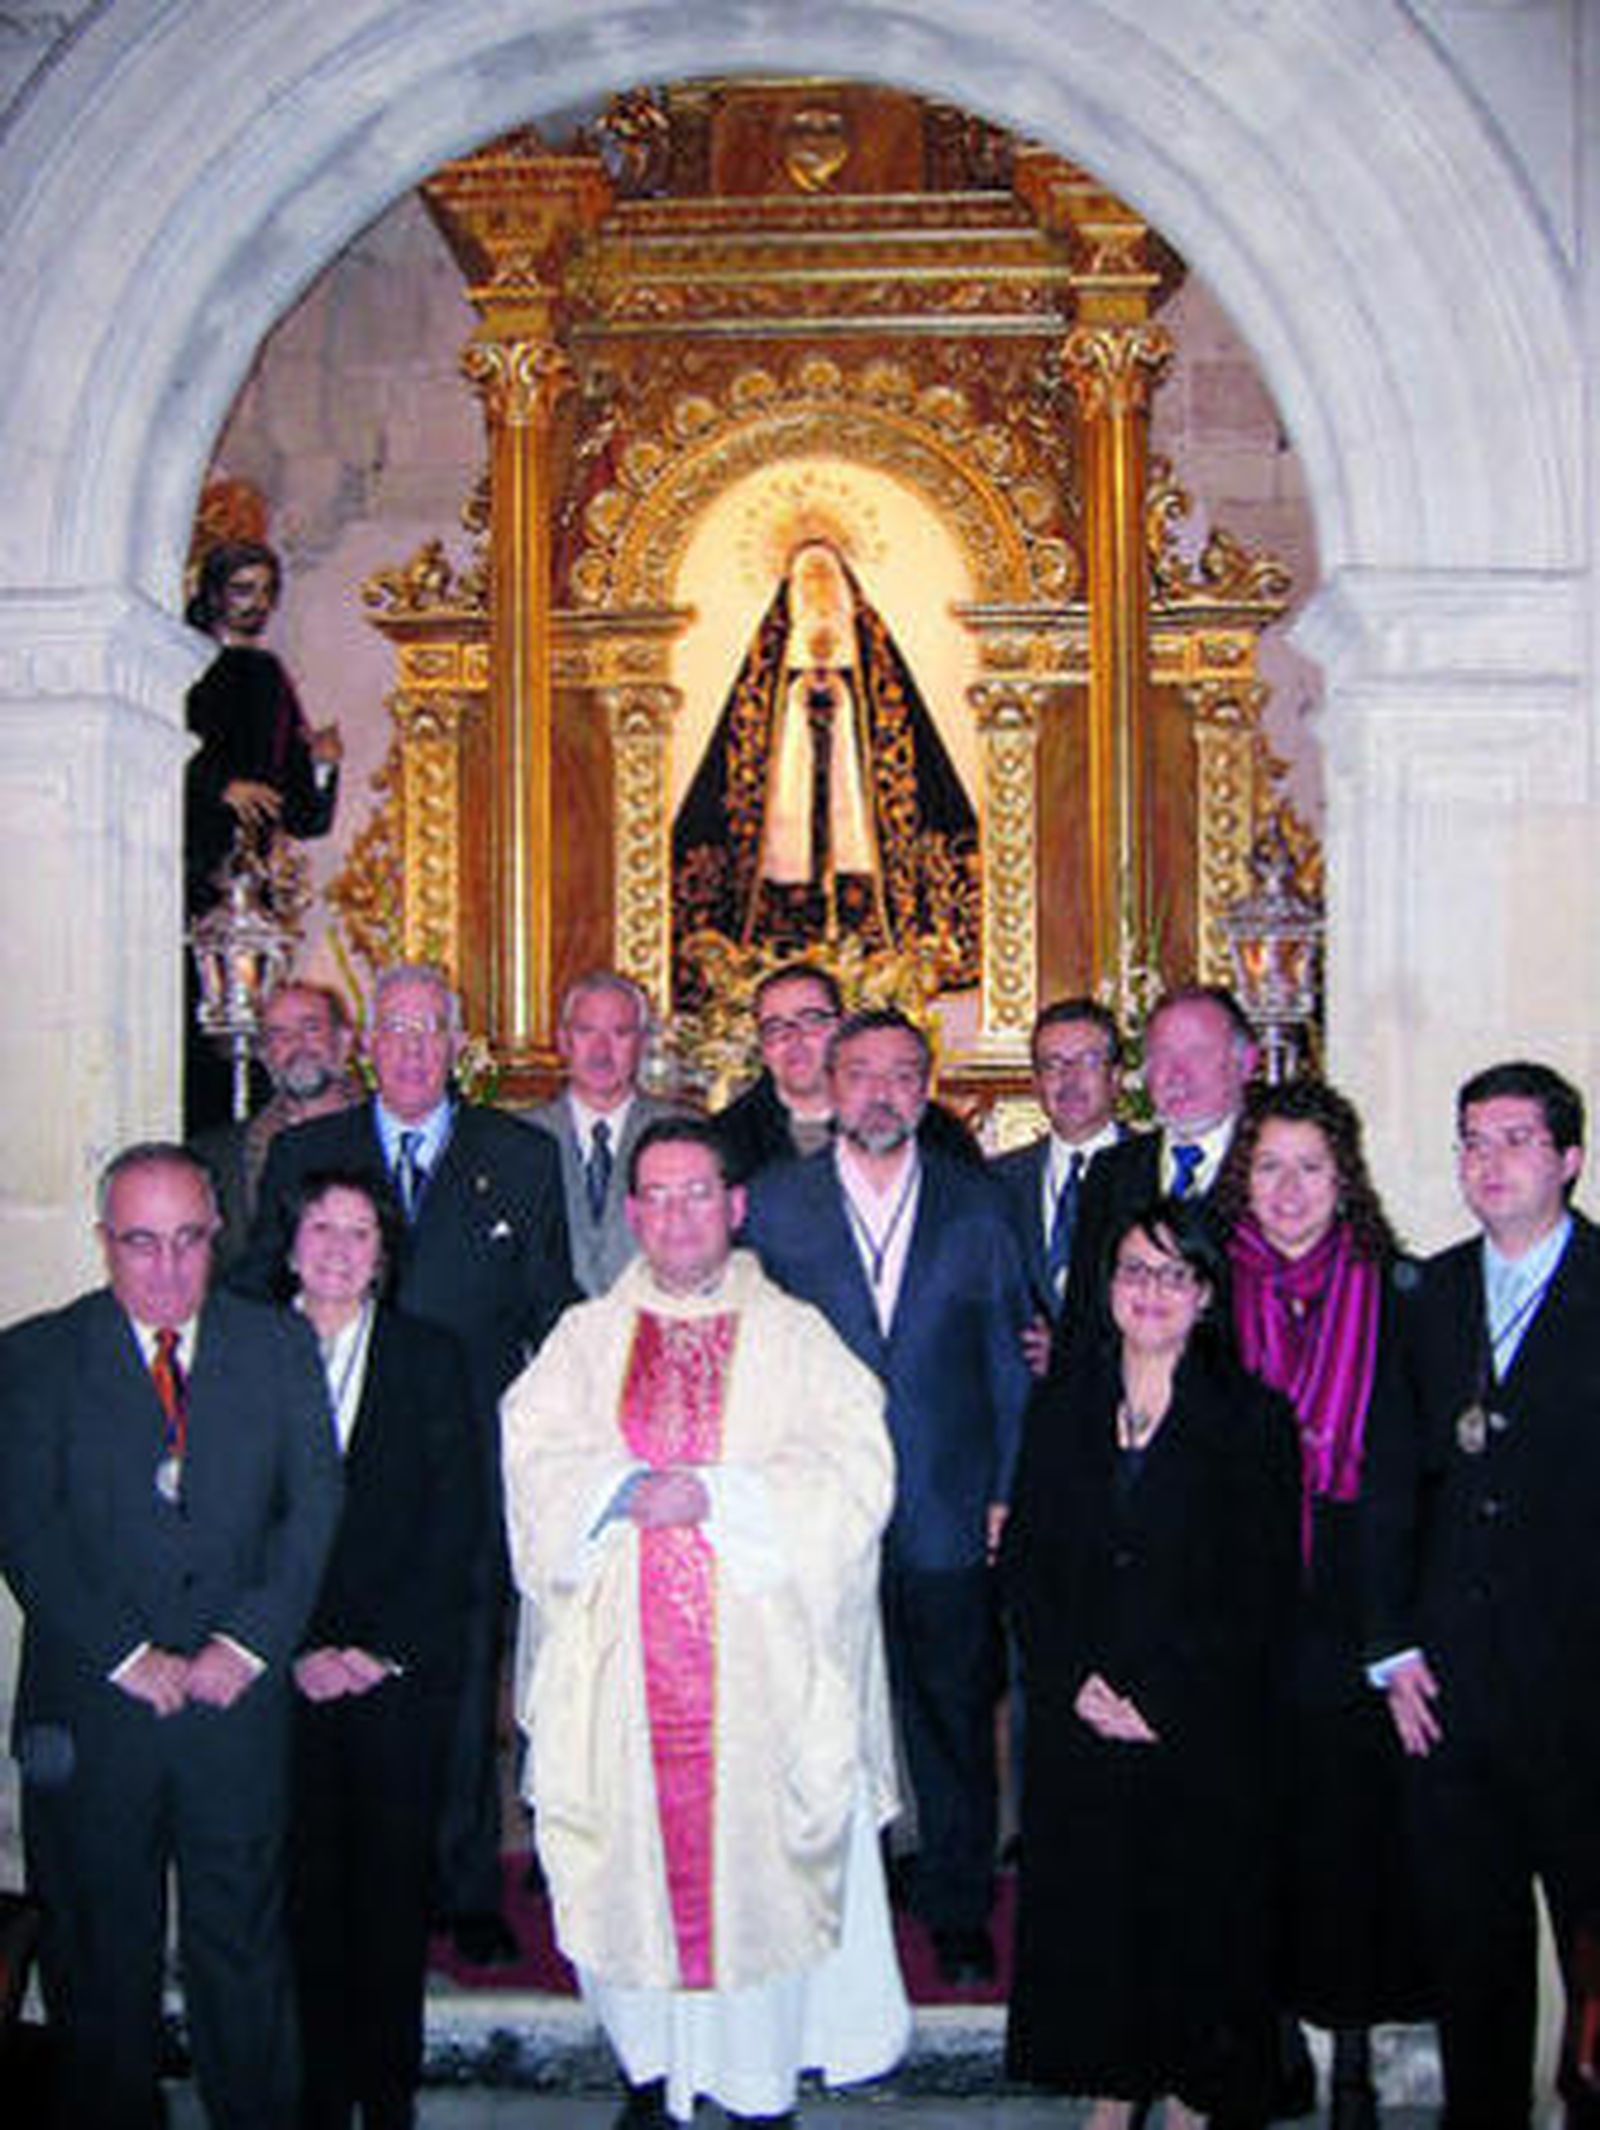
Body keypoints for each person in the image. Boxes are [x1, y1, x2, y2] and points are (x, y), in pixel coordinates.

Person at [501, 1118, 910, 2127]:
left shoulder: (797, 1337)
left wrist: (720, 1498)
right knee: (622, 1862)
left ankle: (758, 2089)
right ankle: (649, 2074)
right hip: (619, 1670)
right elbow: (534, 1457)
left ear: (736, 1207)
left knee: (757, 1875)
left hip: (760, 1676)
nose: (677, 1216)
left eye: (697, 1195)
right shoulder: (586, 1339)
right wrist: (618, 1491)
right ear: (633, 1214)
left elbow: (855, 1472)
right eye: (657, 1196)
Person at [235, 961, 578, 1967]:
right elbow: (256, 1286)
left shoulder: (517, 1153)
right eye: (396, 1028)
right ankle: (330, 1874)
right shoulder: (310, 1152)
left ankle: (464, 1886)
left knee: (458, 1676)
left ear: (459, 1046)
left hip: (462, 1463)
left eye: (433, 1029)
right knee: (318, 1665)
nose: (414, 1048)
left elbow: (550, 1307)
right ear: (366, 1046)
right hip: (321, 1454)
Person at [0, 1143, 342, 2130]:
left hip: (235, 1708)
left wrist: (248, 1642)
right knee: (99, 1953)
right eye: (141, 1243)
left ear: (217, 1236)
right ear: (104, 1241)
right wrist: (126, 1655)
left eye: (189, 1240)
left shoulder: (276, 1346)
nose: (168, 1268)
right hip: (94, 1710)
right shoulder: (35, 1357)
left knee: (244, 1943)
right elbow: (26, 1526)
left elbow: (313, 1505)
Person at [742, 1008, 1032, 1984]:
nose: (880, 1093)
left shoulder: (975, 1203)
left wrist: (1005, 1487)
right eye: (861, 1073)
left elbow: (1007, 1356)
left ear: (926, 1088)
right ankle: (833, 1900)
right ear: (830, 1084)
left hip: (946, 1499)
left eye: (902, 1074)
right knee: (820, 1711)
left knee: (950, 1711)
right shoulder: (773, 1204)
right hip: (814, 1505)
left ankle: (957, 1902)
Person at [1001, 1199, 1299, 2126]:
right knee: (1099, 1922)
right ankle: (1111, 2091)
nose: (1152, 1291)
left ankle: (1189, 2100)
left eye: (1176, 1274)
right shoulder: (1063, 1408)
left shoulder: (1253, 1420)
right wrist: (1072, 1681)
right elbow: (1027, 1564)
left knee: (1193, 1919)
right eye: (1135, 1270)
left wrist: (1161, 1696)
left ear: (1207, 1294)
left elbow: (1261, 1590)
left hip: (1196, 1723)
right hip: (1081, 1715)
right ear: (1108, 1287)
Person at [1366, 1060, 1600, 2128]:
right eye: (1471, 1140)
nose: (1487, 1162)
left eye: (1514, 1139)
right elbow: (1387, 1481)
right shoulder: (1430, 1293)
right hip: (1448, 1689)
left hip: (1581, 1691)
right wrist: (1390, 1645)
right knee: (1472, 1956)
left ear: (1569, 1159)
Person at [1214, 1080, 1426, 2128]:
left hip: (1351, 1605)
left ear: (1345, 1180)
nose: (1288, 1190)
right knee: (1246, 1841)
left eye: (1310, 1167)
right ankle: (1267, 2049)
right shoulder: (1203, 1294)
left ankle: (1348, 2060)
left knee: (1345, 1845)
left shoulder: (1402, 1294)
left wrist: (1399, 1637)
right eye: (1269, 1167)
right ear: (1241, 1180)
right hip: (1239, 1605)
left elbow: (1420, 1480)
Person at [282, 1167, 480, 2130]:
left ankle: (388, 2093)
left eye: (359, 1233)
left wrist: (379, 1647)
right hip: (276, 1673)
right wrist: (294, 1648)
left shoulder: (429, 1357)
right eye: (320, 1228)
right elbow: (227, 1527)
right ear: (291, 1246)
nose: (337, 1249)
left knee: (391, 1891)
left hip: (394, 1672)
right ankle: (320, 2091)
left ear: (384, 1255)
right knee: (302, 1890)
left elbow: (456, 1518)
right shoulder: (245, 1351)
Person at [672, 538, 979, 981]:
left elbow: (901, 737)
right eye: (808, 577)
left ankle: (870, 960)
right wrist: (799, 701)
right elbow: (747, 742)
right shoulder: (771, 655)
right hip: (791, 797)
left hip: (852, 795)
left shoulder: (871, 650)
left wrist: (841, 699)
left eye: (825, 577)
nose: (817, 588)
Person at [184, 540, 344, 1133]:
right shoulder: (182, 663)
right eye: (242, 590)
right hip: (192, 869)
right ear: (213, 593)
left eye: (266, 591)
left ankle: (250, 1132)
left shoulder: (269, 676)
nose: (256, 604)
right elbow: (160, 750)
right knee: (198, 1015)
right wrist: (219, 787)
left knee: (255, 1021)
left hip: (255, 882)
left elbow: (303, 815)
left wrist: (322, 766)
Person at [1059, 984, 1260, 1342]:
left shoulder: (1275, 1173)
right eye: (1162, 1055)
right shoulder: (1111, 1172)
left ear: (1245, 1064)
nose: (1177, 1074)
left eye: (1198, 1053)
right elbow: (1083, 1322)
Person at [713, 961, 981, 1186]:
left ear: (843, 1028)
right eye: (774, 1028)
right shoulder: (724, 1140)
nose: (794, 1038)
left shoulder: (931, 1129)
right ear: (761, 1044)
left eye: (811, 1020)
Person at [990, 997, 1134, 1376]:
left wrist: (1079, 1354)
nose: (1070, 1079)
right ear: (1035, 1082)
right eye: (1052, 1064)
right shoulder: (996, 1183)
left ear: (1116, 1076)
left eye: (1088, 1061)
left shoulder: (1156, 1175)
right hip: (1024, 1403)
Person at [524, 969, 685, 1296]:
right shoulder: (517, 1138)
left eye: (620, 1033)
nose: (601, 1051)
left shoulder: (683, 1135)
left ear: (643, 1043)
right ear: (563, 1041)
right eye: (586, 1031)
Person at [189, 978, 362, 1268]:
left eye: (311, 1028)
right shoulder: (220, 1159)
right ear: (265, 1054)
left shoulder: (394, 1141)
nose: (297, 1044)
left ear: (344, 1042)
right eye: (279, 1034)